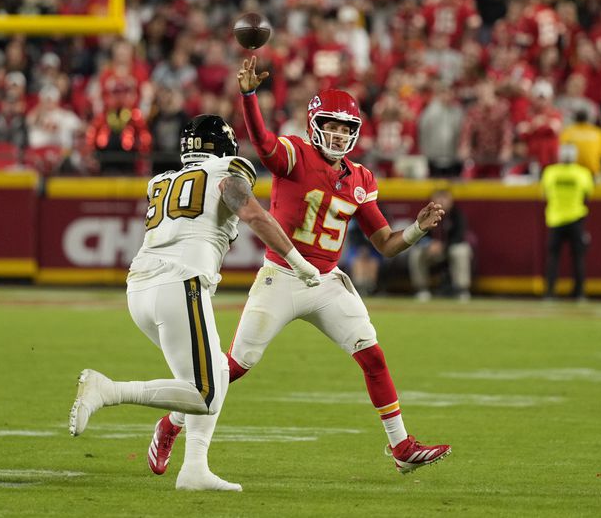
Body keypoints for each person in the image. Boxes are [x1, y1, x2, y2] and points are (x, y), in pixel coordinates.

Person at [151, 56, 451, 478]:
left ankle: (401, 445)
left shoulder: (361, 178)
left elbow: (385, 244)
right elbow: (262, 142)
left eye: (347, 128)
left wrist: (417, 229)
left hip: (327, 281)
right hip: (282, 276)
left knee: (373, 356)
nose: (339, 133)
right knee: (232, 368)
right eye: (332, 124)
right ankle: (171, 422)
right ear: (315, 124)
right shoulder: (295, 154)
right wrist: (250, 95)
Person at [68, 114, 321, 492]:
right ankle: (108, 390)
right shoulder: (228, 167)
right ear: (224, 147)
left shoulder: (161, 180)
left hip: (140, 290)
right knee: (205, 394)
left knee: (217, 370)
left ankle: (195, 469)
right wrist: (299, 263)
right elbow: (251, 212)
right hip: (180, 283)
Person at [541, 144, 594, 300]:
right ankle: (579, 292)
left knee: (553, 257)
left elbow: (545, 194)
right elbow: (587, 196)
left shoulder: (550, 172)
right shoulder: (582, 173)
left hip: (556, 219)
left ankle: (550, 292)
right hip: (575, 218)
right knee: (578, 257)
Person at [408, 188, 472, 301]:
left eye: (445, 198)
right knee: (416, 252)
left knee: (461, 250)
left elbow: (459, 236)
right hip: (430, 251)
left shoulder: (456, 215)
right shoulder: (425, 215)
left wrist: (443, 246)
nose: (442, 201)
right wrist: (428, 244)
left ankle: (462, 289)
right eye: (438, 197)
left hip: (450, 250)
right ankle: (421, 289)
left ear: (451, 201)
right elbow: (416, 234)